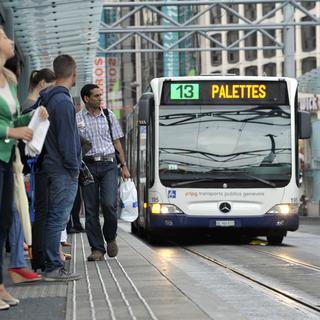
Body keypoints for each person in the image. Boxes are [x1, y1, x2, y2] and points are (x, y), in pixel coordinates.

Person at [0, 26, 47, 310]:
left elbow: (14, 121)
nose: (10, 40)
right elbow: (8, 128)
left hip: (6, 161)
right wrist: (11, 132)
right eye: (4, 36)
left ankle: (1, 285)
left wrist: (32, 117)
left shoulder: (7, 78)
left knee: (4, 222)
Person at [40, 54, 81, 281]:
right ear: (73, 72)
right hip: (63, 169)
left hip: (52, 166)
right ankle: (53, 267)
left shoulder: (48, 98)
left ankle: (51, 262)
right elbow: (67, 140)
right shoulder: (64, 102)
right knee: (57, 218)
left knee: (53, 217)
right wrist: (75, 169)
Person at [77, 84, 130, 261]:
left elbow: (116, 143)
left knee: (108, 204)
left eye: (101, 95)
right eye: (96, 96)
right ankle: (97, 249)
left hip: (109, 164)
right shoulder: (77, 119)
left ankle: (111, 238)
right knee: (90, 209)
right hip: (88, 166)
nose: (101, 98)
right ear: (86, 98)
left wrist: (124, 165)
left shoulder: (109, 115)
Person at [19, 68, 56, 272]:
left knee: (36, 211)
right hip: (33, 166)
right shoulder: (31, 106)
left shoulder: (30, 104)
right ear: (43, 84)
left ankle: (35, 254)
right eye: (50, 88)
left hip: (32, 166)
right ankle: (36, 255)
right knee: (37, 211)